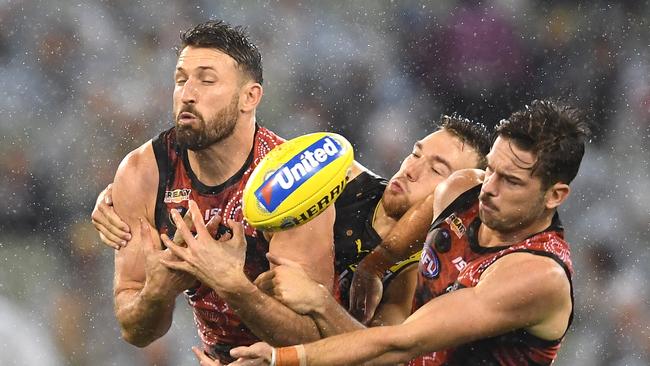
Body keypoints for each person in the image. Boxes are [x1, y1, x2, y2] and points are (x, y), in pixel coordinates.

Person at [221, 99, 589, 365]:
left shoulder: (537, 276)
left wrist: (280, 357)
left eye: (510, 181)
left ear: (555, 195)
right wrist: (375, 266)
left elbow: (401, 345)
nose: (489, 187)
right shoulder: (463, 189)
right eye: (491, 169)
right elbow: (425, 215)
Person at [93, 116, 491, 347]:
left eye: (437, 170)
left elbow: (370, 353)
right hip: (211, 335)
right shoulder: (340, 175)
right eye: (416, 152)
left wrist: (320, 303)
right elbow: (248, 157)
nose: (412, 168)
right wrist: (126, 194)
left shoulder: (412, 277)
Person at [103, 20, 336, 363]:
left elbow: (319, 336)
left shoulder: (291, 180)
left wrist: (231, 284)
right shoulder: (145, 172)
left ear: (249, 97)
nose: (187, 93)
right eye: (180, 79)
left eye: (207, 80)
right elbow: (135, 331)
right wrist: (158, 291)